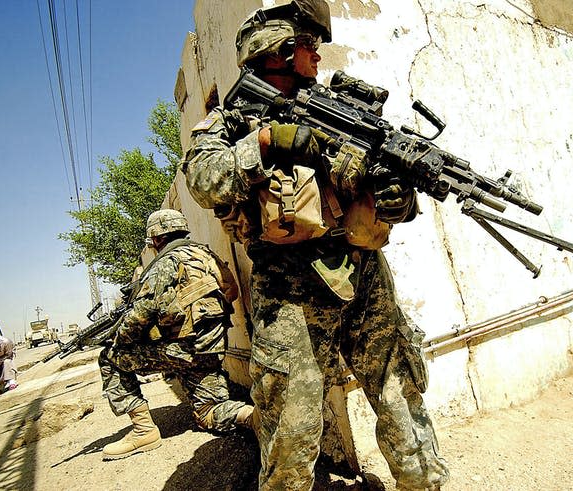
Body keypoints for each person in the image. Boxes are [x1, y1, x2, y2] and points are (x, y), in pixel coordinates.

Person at [182, 1, 450, 489]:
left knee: (400, 394)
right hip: (289, 289)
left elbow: (382, 186)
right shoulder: (226, 124)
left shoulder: (339, 110)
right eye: (309, 44)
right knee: (293, 421)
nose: (318, 55)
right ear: (277, 52)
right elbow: (204, 181)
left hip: (363, 271)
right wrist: (266, 142)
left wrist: (396, 200)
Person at [98, 208, 255, 461]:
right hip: (211, 350)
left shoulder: (164, 264)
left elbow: (142, 313)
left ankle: (143, 432)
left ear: (157, 238)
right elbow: (232, 292)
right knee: (208, 412)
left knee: (109, 356)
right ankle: (255, 418)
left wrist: (119, 338)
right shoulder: (206, 255)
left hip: (183, 351)